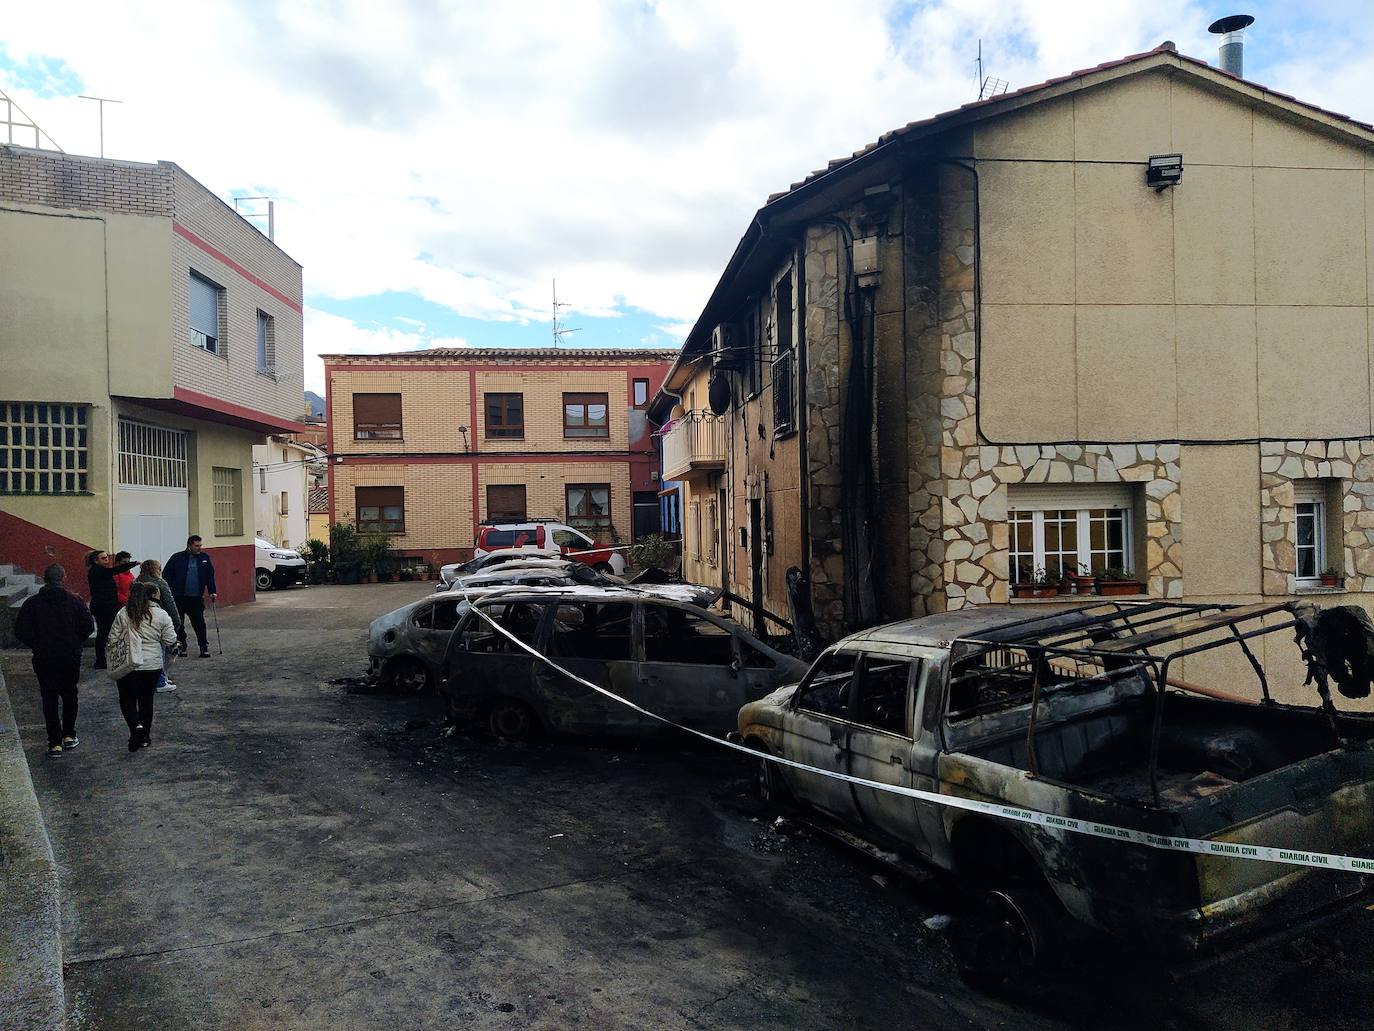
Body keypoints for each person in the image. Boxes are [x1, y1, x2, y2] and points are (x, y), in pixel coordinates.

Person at [14, 565, 95, 758]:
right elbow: (88, 626)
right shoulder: (75, 601)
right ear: (63, 578)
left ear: (44, 578)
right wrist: (75, 641)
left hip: (44, 656)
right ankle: (68, 734)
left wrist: (37, 644)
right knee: (69, 694)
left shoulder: (32, 604)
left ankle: (54, 742)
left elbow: (21, 631)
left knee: (49, 697)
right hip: (70, 655)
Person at [109, 581, 178, 751]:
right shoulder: (161, 615)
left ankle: (135, 727)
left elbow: (112, 638)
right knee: (146, 700)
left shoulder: (124, 613)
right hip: (151, 665)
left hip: (128, 664)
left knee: (127, 699)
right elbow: (170, 640)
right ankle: (145, 736)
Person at [164, 535, 217, 658]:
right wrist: (172, 590)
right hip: (179, 597)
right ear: (189, 545)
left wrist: (212, 591)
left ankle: (203, 646)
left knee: (199, 623)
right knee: (178, 623)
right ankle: (182, 645)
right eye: (196, 546)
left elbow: (210, 576)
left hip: (196, 598)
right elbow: (166, 574)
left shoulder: (204, 558)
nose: (199, 548)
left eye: (200, 545)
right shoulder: (177, 558)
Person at [87, 549, 140, 670]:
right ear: (96, 560)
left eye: (107, 557)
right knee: (104, 633)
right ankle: (101, 660)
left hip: (107, 606)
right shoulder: (97, 570)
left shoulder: (100, 570)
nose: (106, 560)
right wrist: (133, 563)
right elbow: (115, 570)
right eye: (103, 558)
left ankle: (104, 659)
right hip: (103, 607)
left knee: (106, 632)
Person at [137, 559, 183, 693]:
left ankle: (153, 679)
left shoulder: (137, 582)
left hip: (140, 620)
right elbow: (170, 603)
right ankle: (160, 680)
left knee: (145, 652)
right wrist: (176, 622)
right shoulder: (160, 583)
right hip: (157, 620)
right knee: (160, 652)